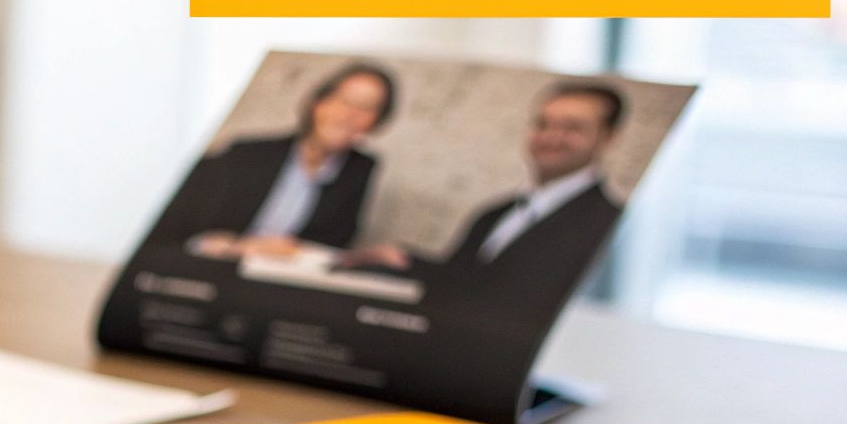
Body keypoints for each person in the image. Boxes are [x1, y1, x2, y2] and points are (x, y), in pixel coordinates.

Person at [339, 82, 627, 314]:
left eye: (572, 128)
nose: (551, 137)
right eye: (543, 124)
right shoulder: (495, 212)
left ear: (608, 137)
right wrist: (402, 258)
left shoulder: (610, 226)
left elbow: (510, 296)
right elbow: (463, 280)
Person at [148, 63, 397, 257]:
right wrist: (233, 246)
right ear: (318, 103)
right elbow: (177, 231)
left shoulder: (359, 169)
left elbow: (336, 243)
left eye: (367, 107)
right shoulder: (245, 154)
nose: (350, 115)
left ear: (376, 121)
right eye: (345, 101)